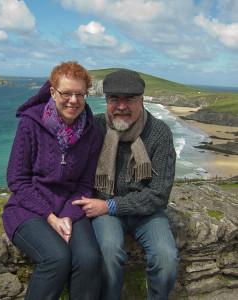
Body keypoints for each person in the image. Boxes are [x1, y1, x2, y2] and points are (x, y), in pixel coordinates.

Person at [73, 69, 179, 300]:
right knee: (108, 253)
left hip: (146, 212)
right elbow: (61, 119)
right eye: (114, 99)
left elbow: (159, 194)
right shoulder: (95, 127)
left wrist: (110, 206)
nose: (121, 106)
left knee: (166, 258)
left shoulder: (159, 132)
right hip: (106, 212)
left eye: (129, 99)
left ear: (141, 100)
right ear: (106, 101)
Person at [2, 61, 103, 300]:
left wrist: (67, 215)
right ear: (52, 92)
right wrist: (50, 217)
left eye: (80, 94)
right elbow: (17, 180)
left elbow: (85, 184)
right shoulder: (30, 124)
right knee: (56, 258)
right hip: (28, 207)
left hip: (70, 206)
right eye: (66, 93)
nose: (73, 100)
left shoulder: (92, 133)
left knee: (89, 260)